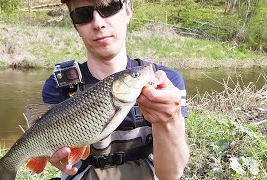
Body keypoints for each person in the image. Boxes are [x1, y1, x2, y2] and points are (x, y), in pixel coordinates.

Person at [42, 0, 190, 179]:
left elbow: (170, 175)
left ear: (128, 11)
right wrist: (54, 155)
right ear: (76, 26)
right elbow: (64, 159)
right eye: (83, 14)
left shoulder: (167, 82)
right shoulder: (58, 87)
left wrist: (170, 120)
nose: (98, 23)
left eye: (108, 8)